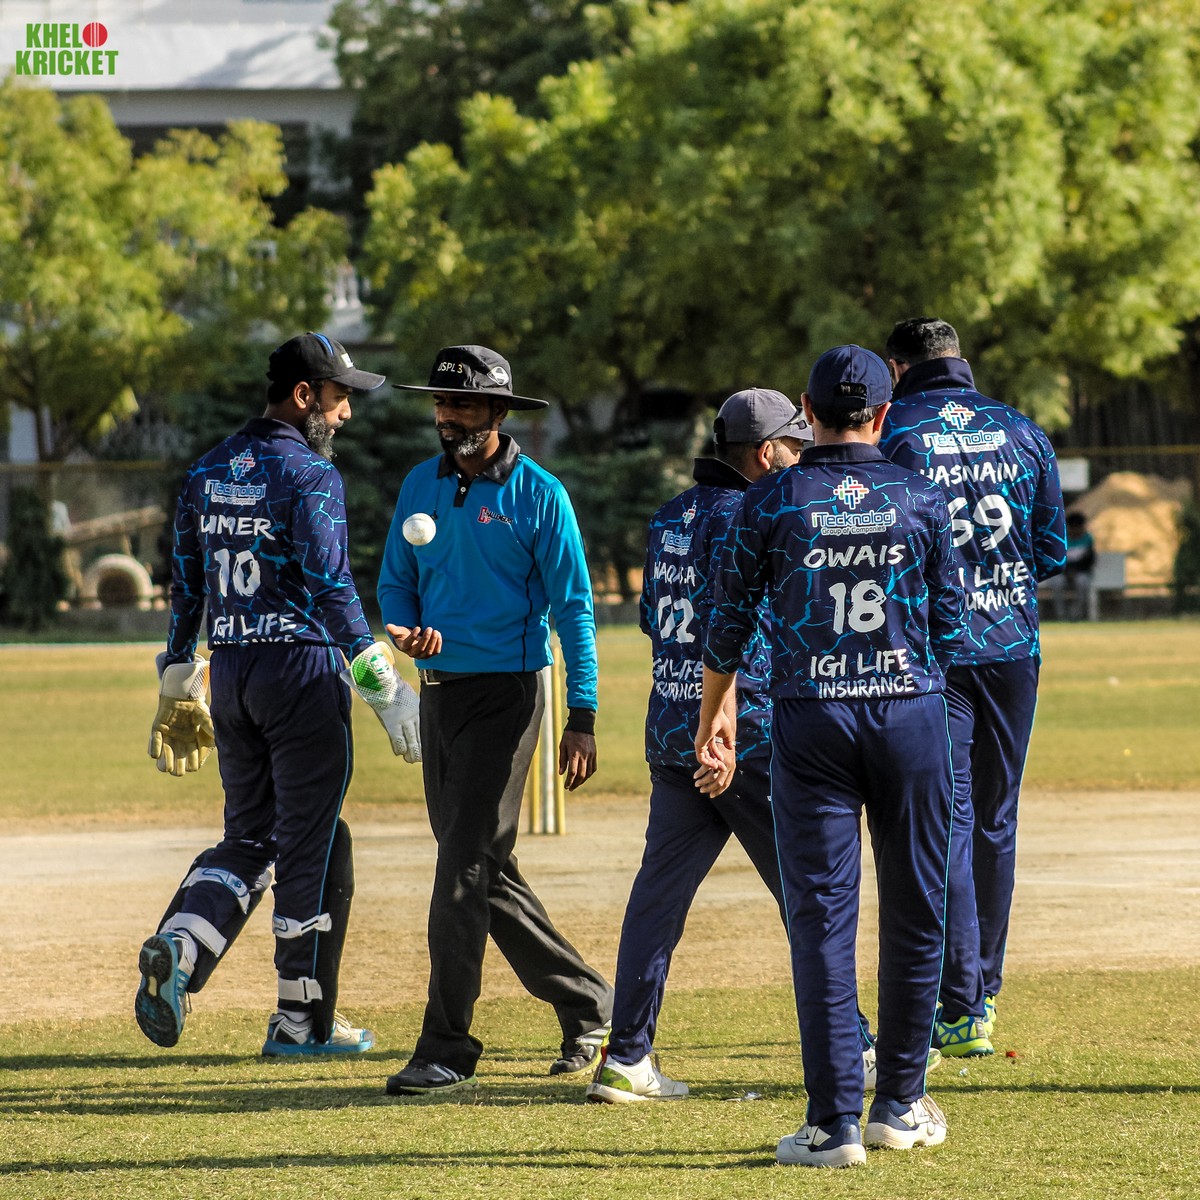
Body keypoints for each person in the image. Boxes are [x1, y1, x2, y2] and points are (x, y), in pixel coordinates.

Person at [697, 346, 965, 1167]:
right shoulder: (920, 495)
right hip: (909, 714)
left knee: (820, 917)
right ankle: (901, 1104)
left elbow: (726, 623)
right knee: (916, 908)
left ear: (807, 413)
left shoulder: (769, 498)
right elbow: (952, 626)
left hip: (810, 719)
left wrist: (714, 716)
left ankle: (832, 1123)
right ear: (882, 415)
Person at [136, 331, 420, 1058]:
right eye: (340, 397)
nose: (347, 413)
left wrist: (179, 678)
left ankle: (181, 945)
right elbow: (332, 586)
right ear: (303, 396)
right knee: (305, 843)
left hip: (231, 673)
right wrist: (385, 687)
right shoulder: (309, 473)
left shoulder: (206, 470)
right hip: (300, 674)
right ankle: (299, 1022)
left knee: (249, 836)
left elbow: (186, 587)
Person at [377, 343, 613, 1096]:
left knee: (461, 871)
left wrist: (583, 714)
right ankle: (592, 1005)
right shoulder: (420, 483)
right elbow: (396, 583)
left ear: (499, 412)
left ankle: (446, 1046)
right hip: (438, 694)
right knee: (479, 868)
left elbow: (575, 610)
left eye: (465, 404)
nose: (449, 417)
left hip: (507, 698)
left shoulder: (540, 494)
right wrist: (404, 631)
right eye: (442, 404)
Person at [585, 388, 815, 1104]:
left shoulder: (669, 516)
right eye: (795, 446)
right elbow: (740, 623)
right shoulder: (758, 512)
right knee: (812, 896)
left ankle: (626, 1056)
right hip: (743, 734)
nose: (801, 457)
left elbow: (656, 620)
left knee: (657, 900)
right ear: (765, 453)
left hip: (672, 726)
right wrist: (725, 726)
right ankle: (857, 1047)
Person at [880, 317, 1066, 1055]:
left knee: (949, 819)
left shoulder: (896, 433)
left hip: (938, 650)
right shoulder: (1022, 430)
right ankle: (983, 987)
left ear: (897, 368)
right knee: (996, 819)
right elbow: (1050, 549)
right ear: (958, 360)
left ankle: (958, 1003)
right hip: (1014, 646)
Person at [1044, 511, 1097, 621]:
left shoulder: (1088, 539)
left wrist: (1075, 571)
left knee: (1082, 583)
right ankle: (1061, 615)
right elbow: (1056, 559)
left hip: (1080, 572)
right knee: (1056, 583)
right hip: (1062, 573)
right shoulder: (1062, 539)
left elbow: (1089, 561)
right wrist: (1067, 571)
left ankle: (1076, 614)